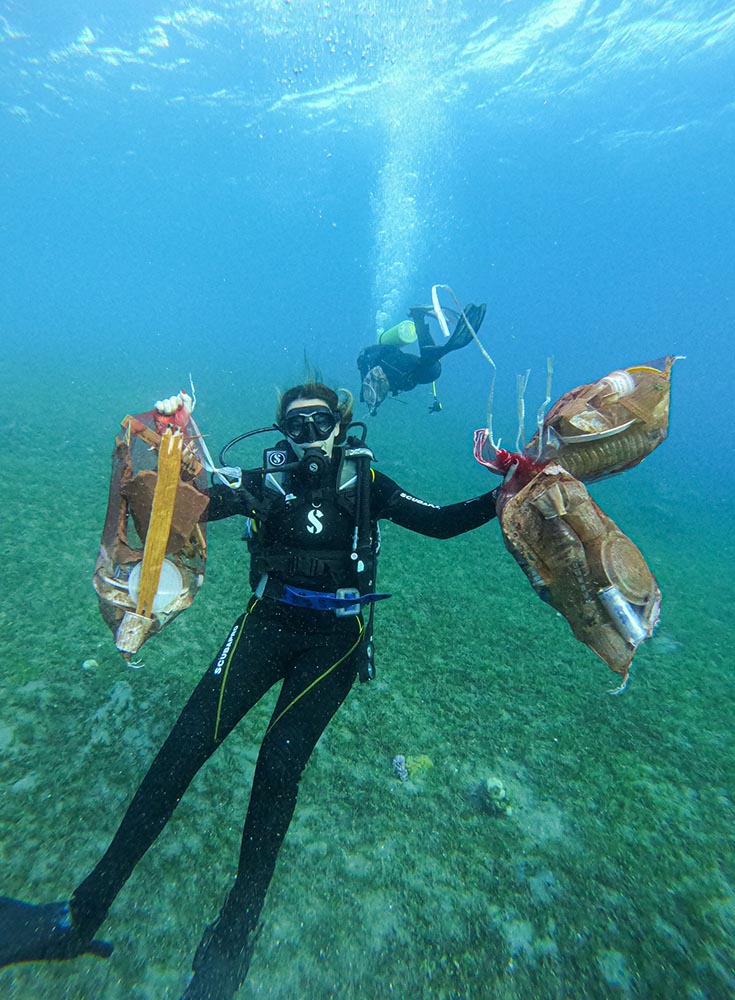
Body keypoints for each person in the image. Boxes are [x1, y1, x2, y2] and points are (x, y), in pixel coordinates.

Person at [0, 382, 499, 999]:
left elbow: (443, 523)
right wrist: (172, 450)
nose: (308, 436)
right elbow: (186, 507)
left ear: (341, 426)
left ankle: (231, 945)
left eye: (320, 423)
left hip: (335, 642)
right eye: (295, 425)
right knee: (181, 749)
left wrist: (510, 494)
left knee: (278, 764)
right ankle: (78, 916)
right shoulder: (266, 482)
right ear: (281, 432)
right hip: (264, 625)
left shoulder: (371, 486)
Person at [358, 301, 487, 415]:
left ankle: (418, 316)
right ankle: (418, 316)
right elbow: (372, 384)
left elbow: (372, 385)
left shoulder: (397, 369)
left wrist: (372, 404)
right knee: (428, 360)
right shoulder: (379, 363)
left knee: (429, 360)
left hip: (404, 366)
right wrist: (372, 404)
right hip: (403, 366)